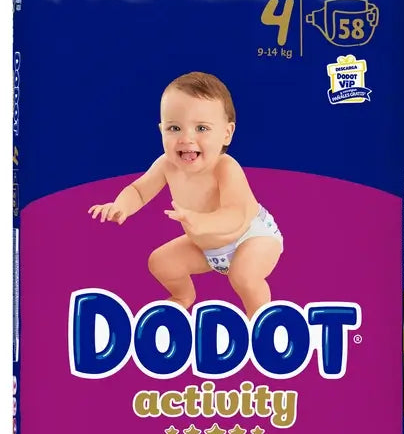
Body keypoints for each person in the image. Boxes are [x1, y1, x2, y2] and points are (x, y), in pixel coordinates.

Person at [88, 71, 283, 319]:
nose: (186, 138)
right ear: (162, 130)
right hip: (208, 249)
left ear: (226, 133)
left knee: (243, 276)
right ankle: (183, 296)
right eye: (174, 128)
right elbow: (139, 190)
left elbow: (237, 215)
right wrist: (120, 206)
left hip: (252, 237)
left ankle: (260, 320)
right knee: (160, 262)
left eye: (201, 128)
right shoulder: (166, 164)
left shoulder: (225, 167)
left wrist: (200, 221)